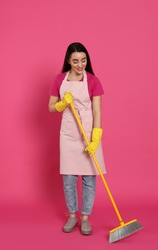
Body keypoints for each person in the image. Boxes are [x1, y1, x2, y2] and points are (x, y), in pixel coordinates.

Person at [48, 42, 106, 235]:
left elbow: (97, 112)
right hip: (69, 133)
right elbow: (50, 106)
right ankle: (72, 216)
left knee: (89, 178)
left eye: (83, 60)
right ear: (68, 61)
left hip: (89, 131)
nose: (80, 65)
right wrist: (63, 102)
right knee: (69, 178)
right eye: (75, 61)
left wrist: (95, 138)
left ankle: (85, 218)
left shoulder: (93, 81)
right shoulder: (59, 79)